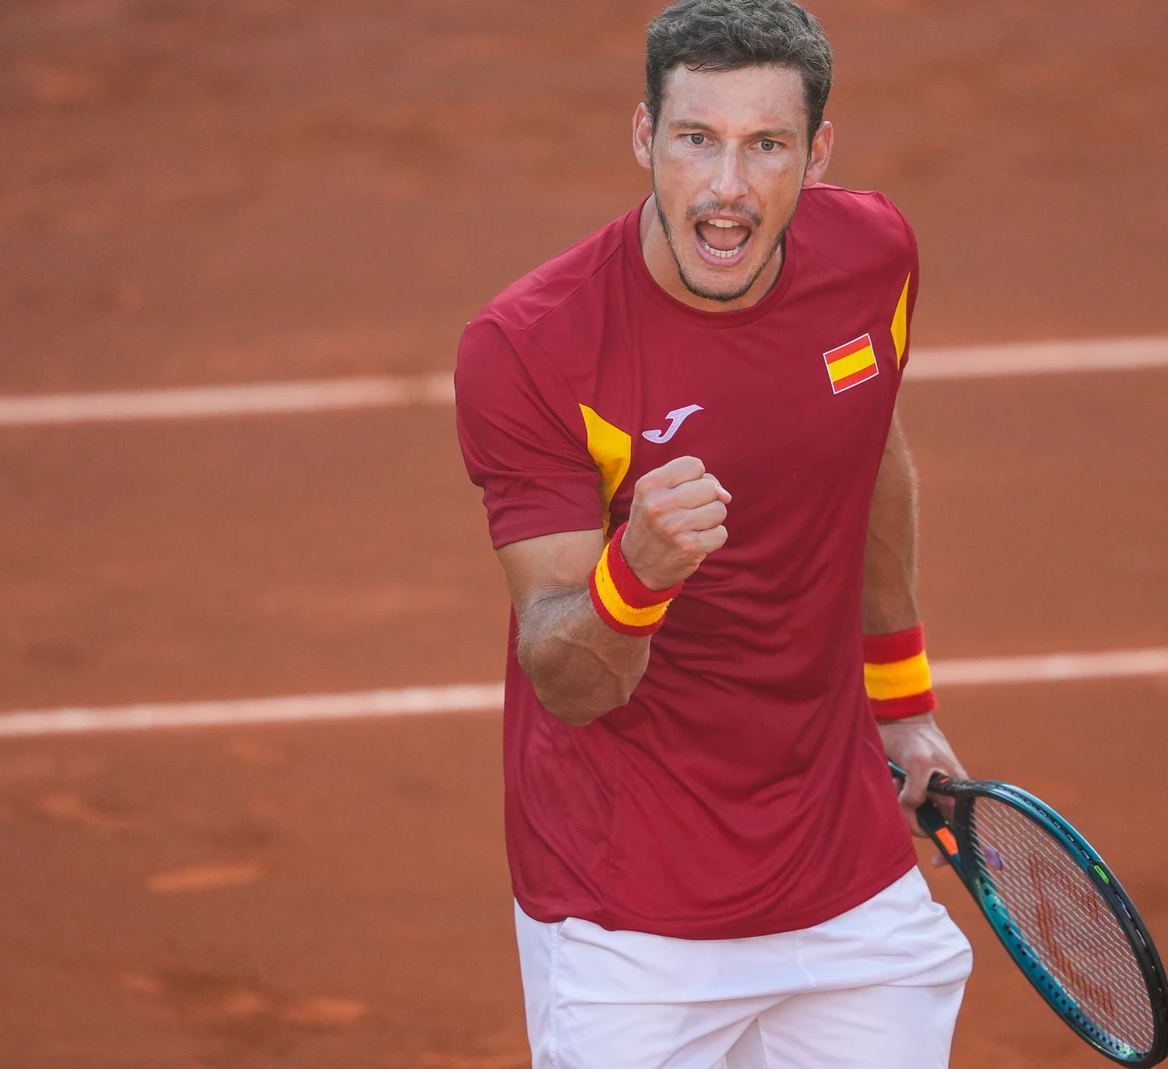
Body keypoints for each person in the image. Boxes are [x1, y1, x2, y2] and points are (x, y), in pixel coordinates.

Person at [453, 1, 973, 1065]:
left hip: (847, 883)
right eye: (697, 139)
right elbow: (567, 674)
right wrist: (636, 572)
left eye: (765, 146)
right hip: (628, 915)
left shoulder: (873, 257)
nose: (728, 189)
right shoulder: (530, 349)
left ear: (815, 155)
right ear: (644, 135)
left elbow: (869, 448)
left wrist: (902, 700)